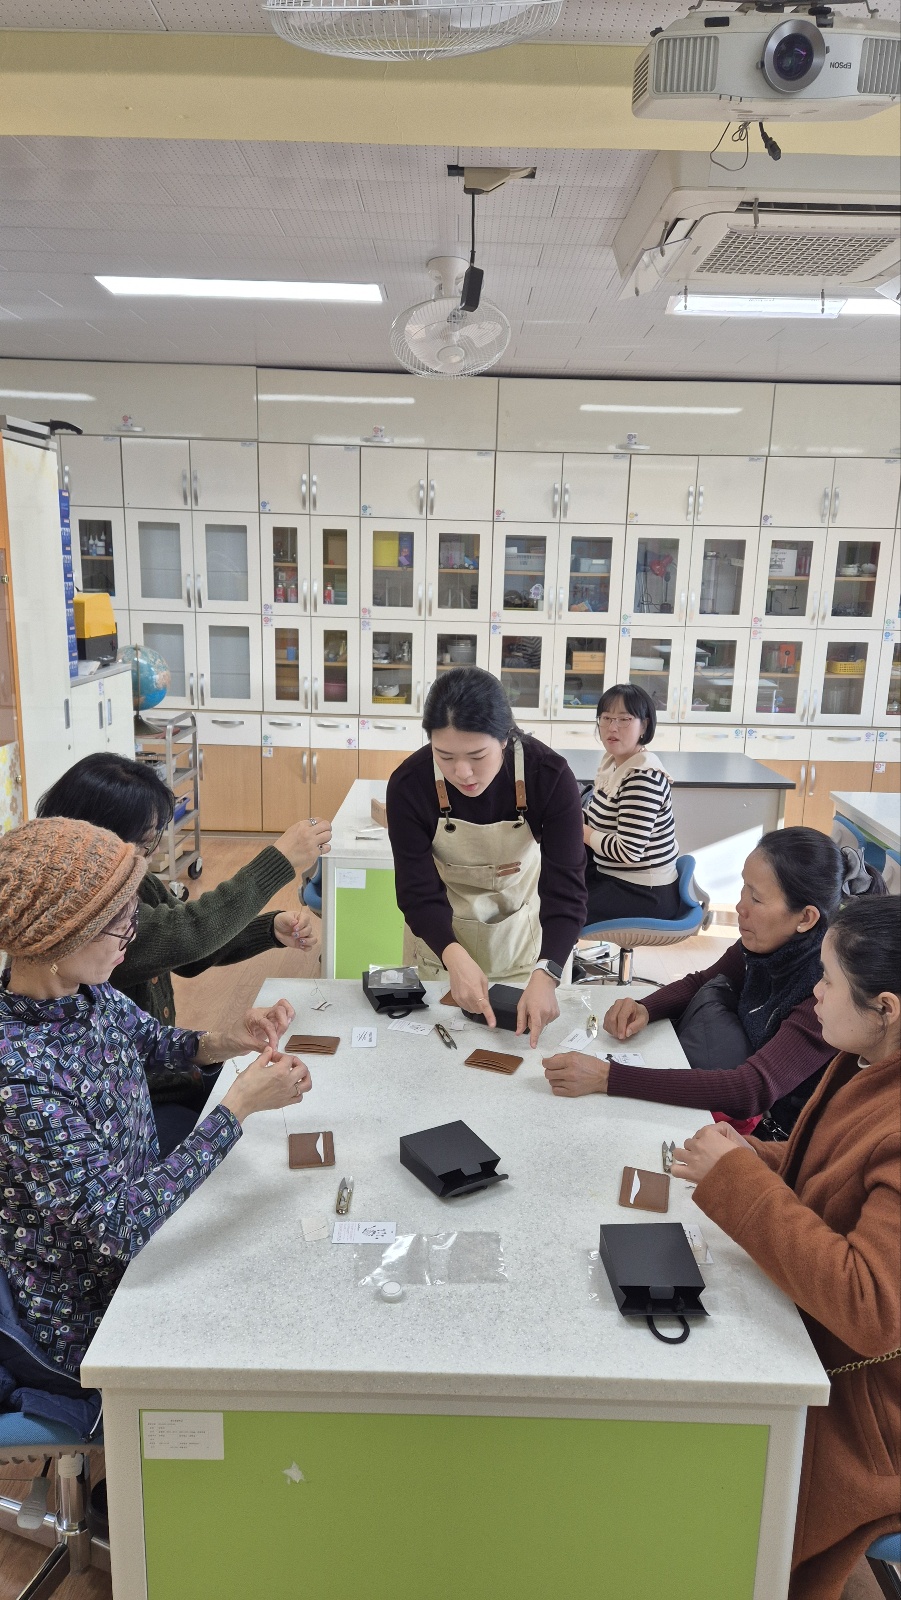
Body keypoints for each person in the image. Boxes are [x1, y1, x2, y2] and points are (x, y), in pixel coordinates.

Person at [0, 817, 312, 1380]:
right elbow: (120, 1225)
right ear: (56, 937)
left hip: (147, 1228)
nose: (132, 936)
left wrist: (230, 1039)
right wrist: (236, 1107)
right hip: (96, 1307)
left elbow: (157, 1043)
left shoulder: (85, 992)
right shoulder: (20, 1081)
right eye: (117, 926)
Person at [672, 895, 901, 1600]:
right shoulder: (863, 1057)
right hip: (814, 1345)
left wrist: (737, 1178)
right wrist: (747, 1157)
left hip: (864, 1403)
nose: (814, 992)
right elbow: (825, 1176)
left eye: (827, 980)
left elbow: (868, 1307)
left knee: (721, 1501)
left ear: (886, 1006)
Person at [543, 828, 885, 1134]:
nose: (739, 906)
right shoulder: (771, 943)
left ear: (805, 918)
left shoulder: (826, 993)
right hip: (739, 1092)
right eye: (743, 889)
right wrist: (645, 1008)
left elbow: (751, 1089)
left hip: (778, 1136)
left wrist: (609, 1077)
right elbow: (702, 981)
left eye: (756, 898)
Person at [37, 753, 332, 1027]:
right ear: (94, 836)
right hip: (134, 1077)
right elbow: (185, 935)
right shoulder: (81, 912)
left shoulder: (135, 881)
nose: (152, 852)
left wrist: (268, 930)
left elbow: (189, 952)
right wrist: (277, 861)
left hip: (154, 1064)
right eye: (144, 841)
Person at [386, 667, 587, 1047]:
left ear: (506, 737)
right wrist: (451, 955)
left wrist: (549, 972)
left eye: (477, 755)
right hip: (440, 941)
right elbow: (416, 891)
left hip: (525, 948)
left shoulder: (550, 777)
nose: (462, 773)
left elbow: (567, 892)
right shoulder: (409, 785)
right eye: (444, 756)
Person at [582, 683, 681, 924]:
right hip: (615, 876)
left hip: (642, 892)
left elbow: (628, 851)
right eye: (606, 718)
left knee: (556, 907)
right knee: (550, 886)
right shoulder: (614, 763)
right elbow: (596, 817)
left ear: (644, 725)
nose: (612, 727)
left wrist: (578, 830)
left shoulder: (642, 776)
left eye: (624, 719)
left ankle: (550, 962)